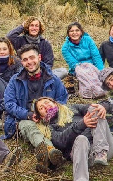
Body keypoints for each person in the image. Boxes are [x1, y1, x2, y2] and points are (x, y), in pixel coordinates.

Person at [32, 97, 113, 181]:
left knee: (94, 109)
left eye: (47, 102)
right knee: (81, 139)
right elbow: (61, 141)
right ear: (40, 116)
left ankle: (100, 151)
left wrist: (103, 107)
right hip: (84, 155)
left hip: (106, 147)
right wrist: (82, 124)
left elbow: (98, 107)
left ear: (54, 102)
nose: (46, 107)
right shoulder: (49, 128)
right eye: (41, 108)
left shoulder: (72, 108)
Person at [4, 44, 68, 173]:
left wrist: (50, 113)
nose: (29, 62)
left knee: (55, 131)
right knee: (30, 128)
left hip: (51, 120)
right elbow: (9, 104)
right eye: (25, 60)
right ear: (21, 62)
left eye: (32, 57)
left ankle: (46, 160)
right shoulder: (15, 80)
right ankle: (50, 151)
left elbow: (62, 100)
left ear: (39, 57)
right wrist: (27, 114)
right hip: (26, 118)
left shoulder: (53, 79)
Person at [61, 22, 106, 98]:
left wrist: (101, 71)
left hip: (93, 66)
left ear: (81, 32)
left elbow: (96, 56)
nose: (74, 33)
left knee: (101, 76)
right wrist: (85, 70)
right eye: (72, 31)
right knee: (85, 77)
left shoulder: (88, 40)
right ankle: (89, 92)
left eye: (77, 30)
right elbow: (73, 63)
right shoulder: (65, 48)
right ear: (68, 34)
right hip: (78, 69)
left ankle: (100, 89)